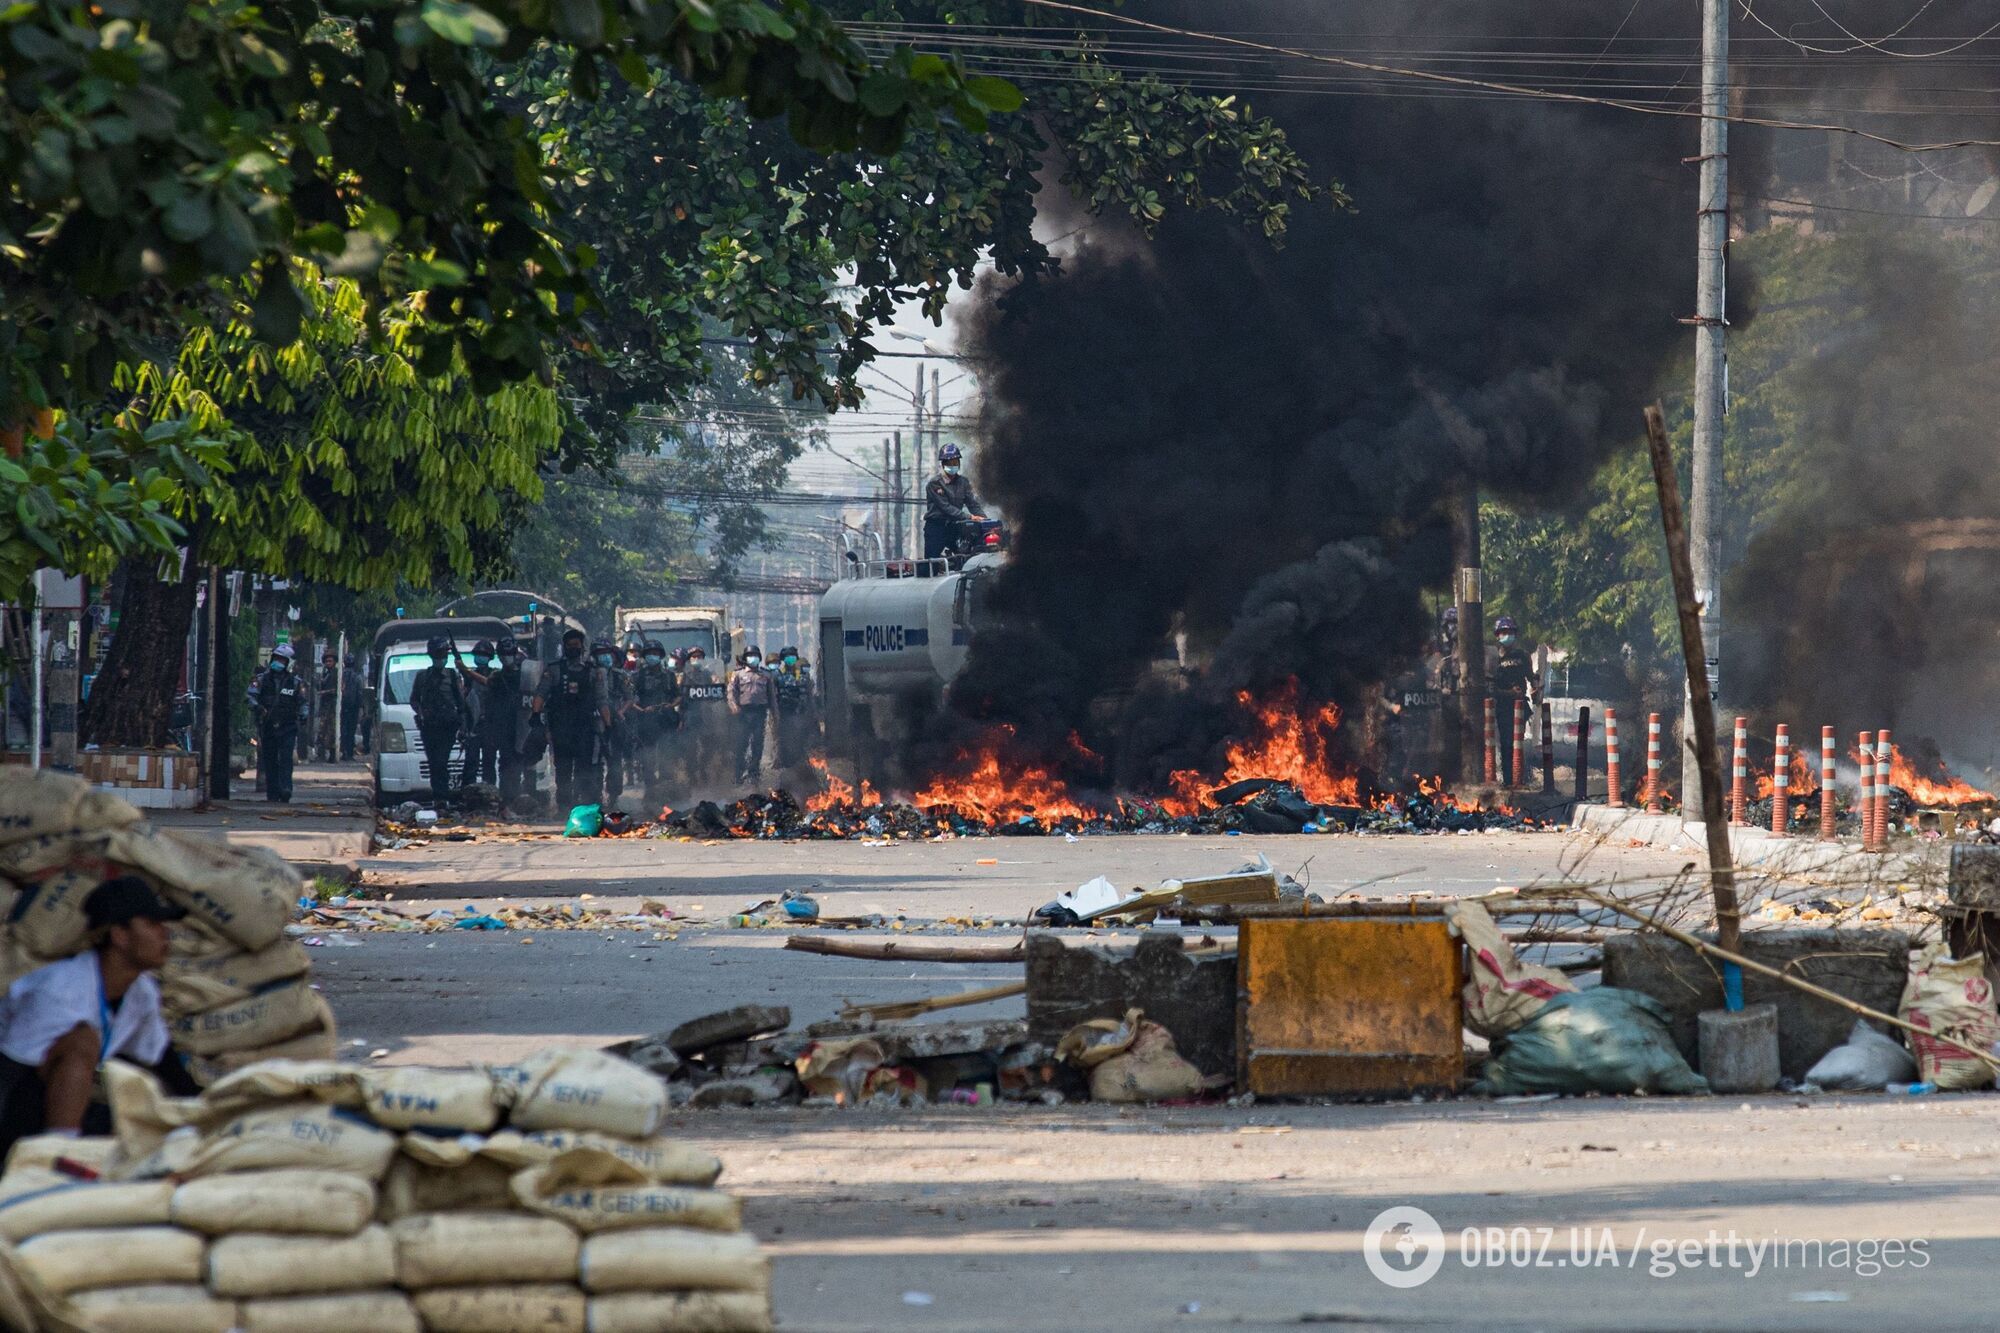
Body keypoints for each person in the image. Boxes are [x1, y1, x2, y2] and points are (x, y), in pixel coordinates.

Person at [0, 877, 198, 1155]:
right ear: (119, 935)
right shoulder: (59, 991)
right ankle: (59, 1156)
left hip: (47, 1108)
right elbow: (7, 1077)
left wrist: (205, 1112)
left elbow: (162, 1062)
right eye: (152, 924)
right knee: (83, 1041)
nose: (164, 934)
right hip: (16, 1114)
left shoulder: (141, 991)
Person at [533, 627, 610, 811]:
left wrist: (608, 725)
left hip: (585, 727)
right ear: (564, 647)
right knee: (563, 769)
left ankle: (583, 804)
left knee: (585, 768)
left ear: (582, 647)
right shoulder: (554, 670)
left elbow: (601, 700)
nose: (572, 648)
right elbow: (541, 694)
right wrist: (535, 716)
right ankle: (564, 805)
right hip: (561, 727)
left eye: (576, 645)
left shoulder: (593, 671)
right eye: (569, 645)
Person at [410, 636, 470, 805]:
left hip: (448, 727)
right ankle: (438, 796)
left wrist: (463, 727)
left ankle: (442, 796)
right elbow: (414, 700)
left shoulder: (452, 675)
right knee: (433, 762)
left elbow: (461, 704)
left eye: (443, 654)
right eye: (438, 654)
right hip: (429, 727)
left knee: (441, 761)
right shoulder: (422, 676)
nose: (441, 658)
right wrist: (421, 713)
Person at [247, 644, 303, 802]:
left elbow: (302, 702)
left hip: (288, 726)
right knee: (270, 760)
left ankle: (286, 788)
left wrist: (303, 715)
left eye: (282, 660)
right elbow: (250, 696)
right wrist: (258, 707)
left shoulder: (295, 683)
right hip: (268, 726)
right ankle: (272, 792)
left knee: (286, 758)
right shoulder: (261, 679)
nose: (278, 662)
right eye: (276, 658)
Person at [485, 639, 535, 808]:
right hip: (503, 726)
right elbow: (489, 704)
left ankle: (527, 798)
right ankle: (508, 799)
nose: (507, 658)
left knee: (526, 762)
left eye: (509, 654)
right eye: (503, 655)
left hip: (523, 725)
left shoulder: (526, 675)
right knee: (506, 763)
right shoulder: (496, 678)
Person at [628, 640, 682, 798]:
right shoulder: (637, 676)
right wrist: (643, 710)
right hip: (646, 723)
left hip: (666, 720)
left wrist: (670, 705)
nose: (653, 656)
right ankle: (650, 792)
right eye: (650, 654)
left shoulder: (669, 676)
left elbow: (678, 696)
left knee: (666, 756)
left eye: (656, 654)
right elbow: (630, 699)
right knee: (648, 759)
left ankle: (666, 792)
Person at [1489, 615, 1537, 784]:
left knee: (1518, 742)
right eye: (1504, 632)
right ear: (1498, 635)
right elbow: (1491, 688)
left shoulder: (1522, 655)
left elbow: (1532, 676)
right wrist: (1509, 693)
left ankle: (1521, 778)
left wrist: (1535, 687)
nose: (1507, 635)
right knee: (1506, 743)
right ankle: (1509, 780)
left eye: (1510, 632)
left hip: (1520, 705)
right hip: (1504, 706)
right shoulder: (1494, 658)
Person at [923, 443, 985, 561]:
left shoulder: (963, 482)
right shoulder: (935, 483)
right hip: (936, 527)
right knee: (930, 566)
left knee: (966, 557)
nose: (953, 465)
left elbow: (973, 504)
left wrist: (984, 521)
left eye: (955, 462)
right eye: (949, 463)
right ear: (943, 464)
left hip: (955, 527)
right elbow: (946, 508)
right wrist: (970, 517)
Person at [727, 645, 776, 786]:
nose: (753, 658)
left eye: (755, 655)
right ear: (745, 658)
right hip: (743, 714)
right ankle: (738, 774)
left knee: (757, 744)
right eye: (750, 655)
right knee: (741, 744)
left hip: (760, 713)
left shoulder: (766, 675)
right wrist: (734, 706)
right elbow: (731, 693)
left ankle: (754, 774)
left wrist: (775, 714)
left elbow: (772, 697)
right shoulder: (738, 674)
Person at [595, 640, 632, 810]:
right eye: (601, 653)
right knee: (593, 761)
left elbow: (630, 698)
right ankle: (594, 796)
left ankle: (613, 796)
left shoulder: (619, 676)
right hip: (594, 722)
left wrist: (620, 712)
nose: (605, 657)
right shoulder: (591, 674)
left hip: (615, 722)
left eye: (607, 653)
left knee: (615, 761)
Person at [456, 640, 497, 790]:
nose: (480, 658)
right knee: (471, 761)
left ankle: (490, 793)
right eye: (478, 655)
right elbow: (463, 701)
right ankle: (468, 793)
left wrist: (466, 671)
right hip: (473, 725)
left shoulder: (495, 675)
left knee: (489, 762)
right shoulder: (467, 677)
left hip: (489, 726)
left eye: (484, 655)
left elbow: (488, 683)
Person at [770, 646, 815, 772]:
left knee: (801, 741)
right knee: (784, 741)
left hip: (800, 713)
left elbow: (809, 695)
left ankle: (801, 766)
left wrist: (811, 713)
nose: (791, 659)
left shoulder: (803, 675)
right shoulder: (776, 675)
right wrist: (775, 714)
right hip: (784, 714)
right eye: (788, 657)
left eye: (793, 657)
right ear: (783, 659)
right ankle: (786, 767)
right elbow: (773, 696)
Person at [339, 652, 367, 761]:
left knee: (343, 730)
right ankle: (349, 753)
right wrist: (361, 707)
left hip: (342, 707)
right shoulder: (357, 677)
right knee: (351, 730)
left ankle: (343, 752)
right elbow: (360, 693)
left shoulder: (341, 676)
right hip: (353, 708)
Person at [313, 649, 340, 761]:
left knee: (331, 730)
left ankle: (332, 755)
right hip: (325, 706)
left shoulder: (336, 674)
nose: (328, 663)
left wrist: (324, 692)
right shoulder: (325, 673)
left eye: (330, 661)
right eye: (327, 661)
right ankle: (321, 754)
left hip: (332, 706)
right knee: (322, 730)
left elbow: (337, 689)